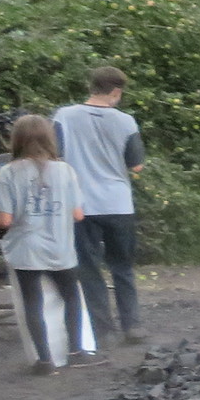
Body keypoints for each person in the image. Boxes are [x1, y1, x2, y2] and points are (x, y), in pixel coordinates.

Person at [0, 113, 97, 375]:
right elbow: (78, 215)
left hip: (26, 248)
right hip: (60, 246)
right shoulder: (65, 170)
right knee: (71, 297)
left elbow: (5, 219)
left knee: (33, 302)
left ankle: (45, 361)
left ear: (17, 140)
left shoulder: (6, 173)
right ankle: (76, 351)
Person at [53, 66, 146, 346]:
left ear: (91, 86)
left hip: (80, 205)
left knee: (89, 269)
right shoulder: (126, 121)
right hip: (118, 203)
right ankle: (132, 325)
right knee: (122, 266)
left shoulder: (63, 116)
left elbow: (54, 155)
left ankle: (102, 330)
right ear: (115, 92)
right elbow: (136, 165)